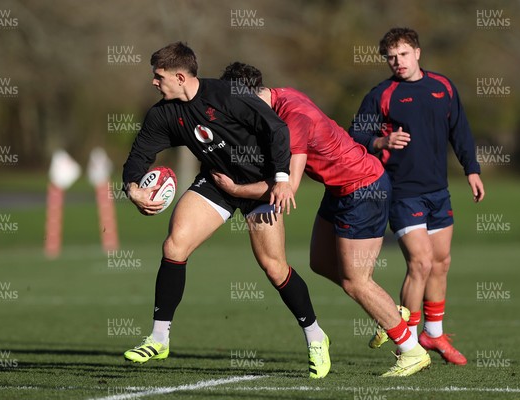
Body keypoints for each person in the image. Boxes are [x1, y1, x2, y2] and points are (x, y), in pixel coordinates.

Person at [121, 42, 331, 379]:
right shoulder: (163, 113)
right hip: (217, 184)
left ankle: (316, 336)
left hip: (260, 187)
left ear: (179, 76)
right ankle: (159, 337)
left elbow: (276, 128)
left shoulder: (226, 94)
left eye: (158, 76)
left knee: (274, 268)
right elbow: (138, 156)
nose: (153, 82)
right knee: (175, 245)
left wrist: (280, 179)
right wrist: (133, 188)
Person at [214, 62, 430, 377]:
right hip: (341, 189)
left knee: (356, 281)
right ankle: (390, 312)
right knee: (321, 262)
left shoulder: (293, 119)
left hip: (364, 189)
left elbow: (288, 188)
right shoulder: (279, 97)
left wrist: (234, 189)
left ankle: (412, 349)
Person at [349, 27, 485, 365]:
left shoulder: (443, 87)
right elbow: (355, 133)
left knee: (441, 263)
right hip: (400, 192)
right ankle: (406, 341)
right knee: (420, 262)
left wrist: (472, 169)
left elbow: (461, 130)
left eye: (403, 54)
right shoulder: (382, 94)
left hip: (438, 191)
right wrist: (381, 142)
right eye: (391, 57)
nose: (397, 61)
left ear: (418, 53)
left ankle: (433, 335)